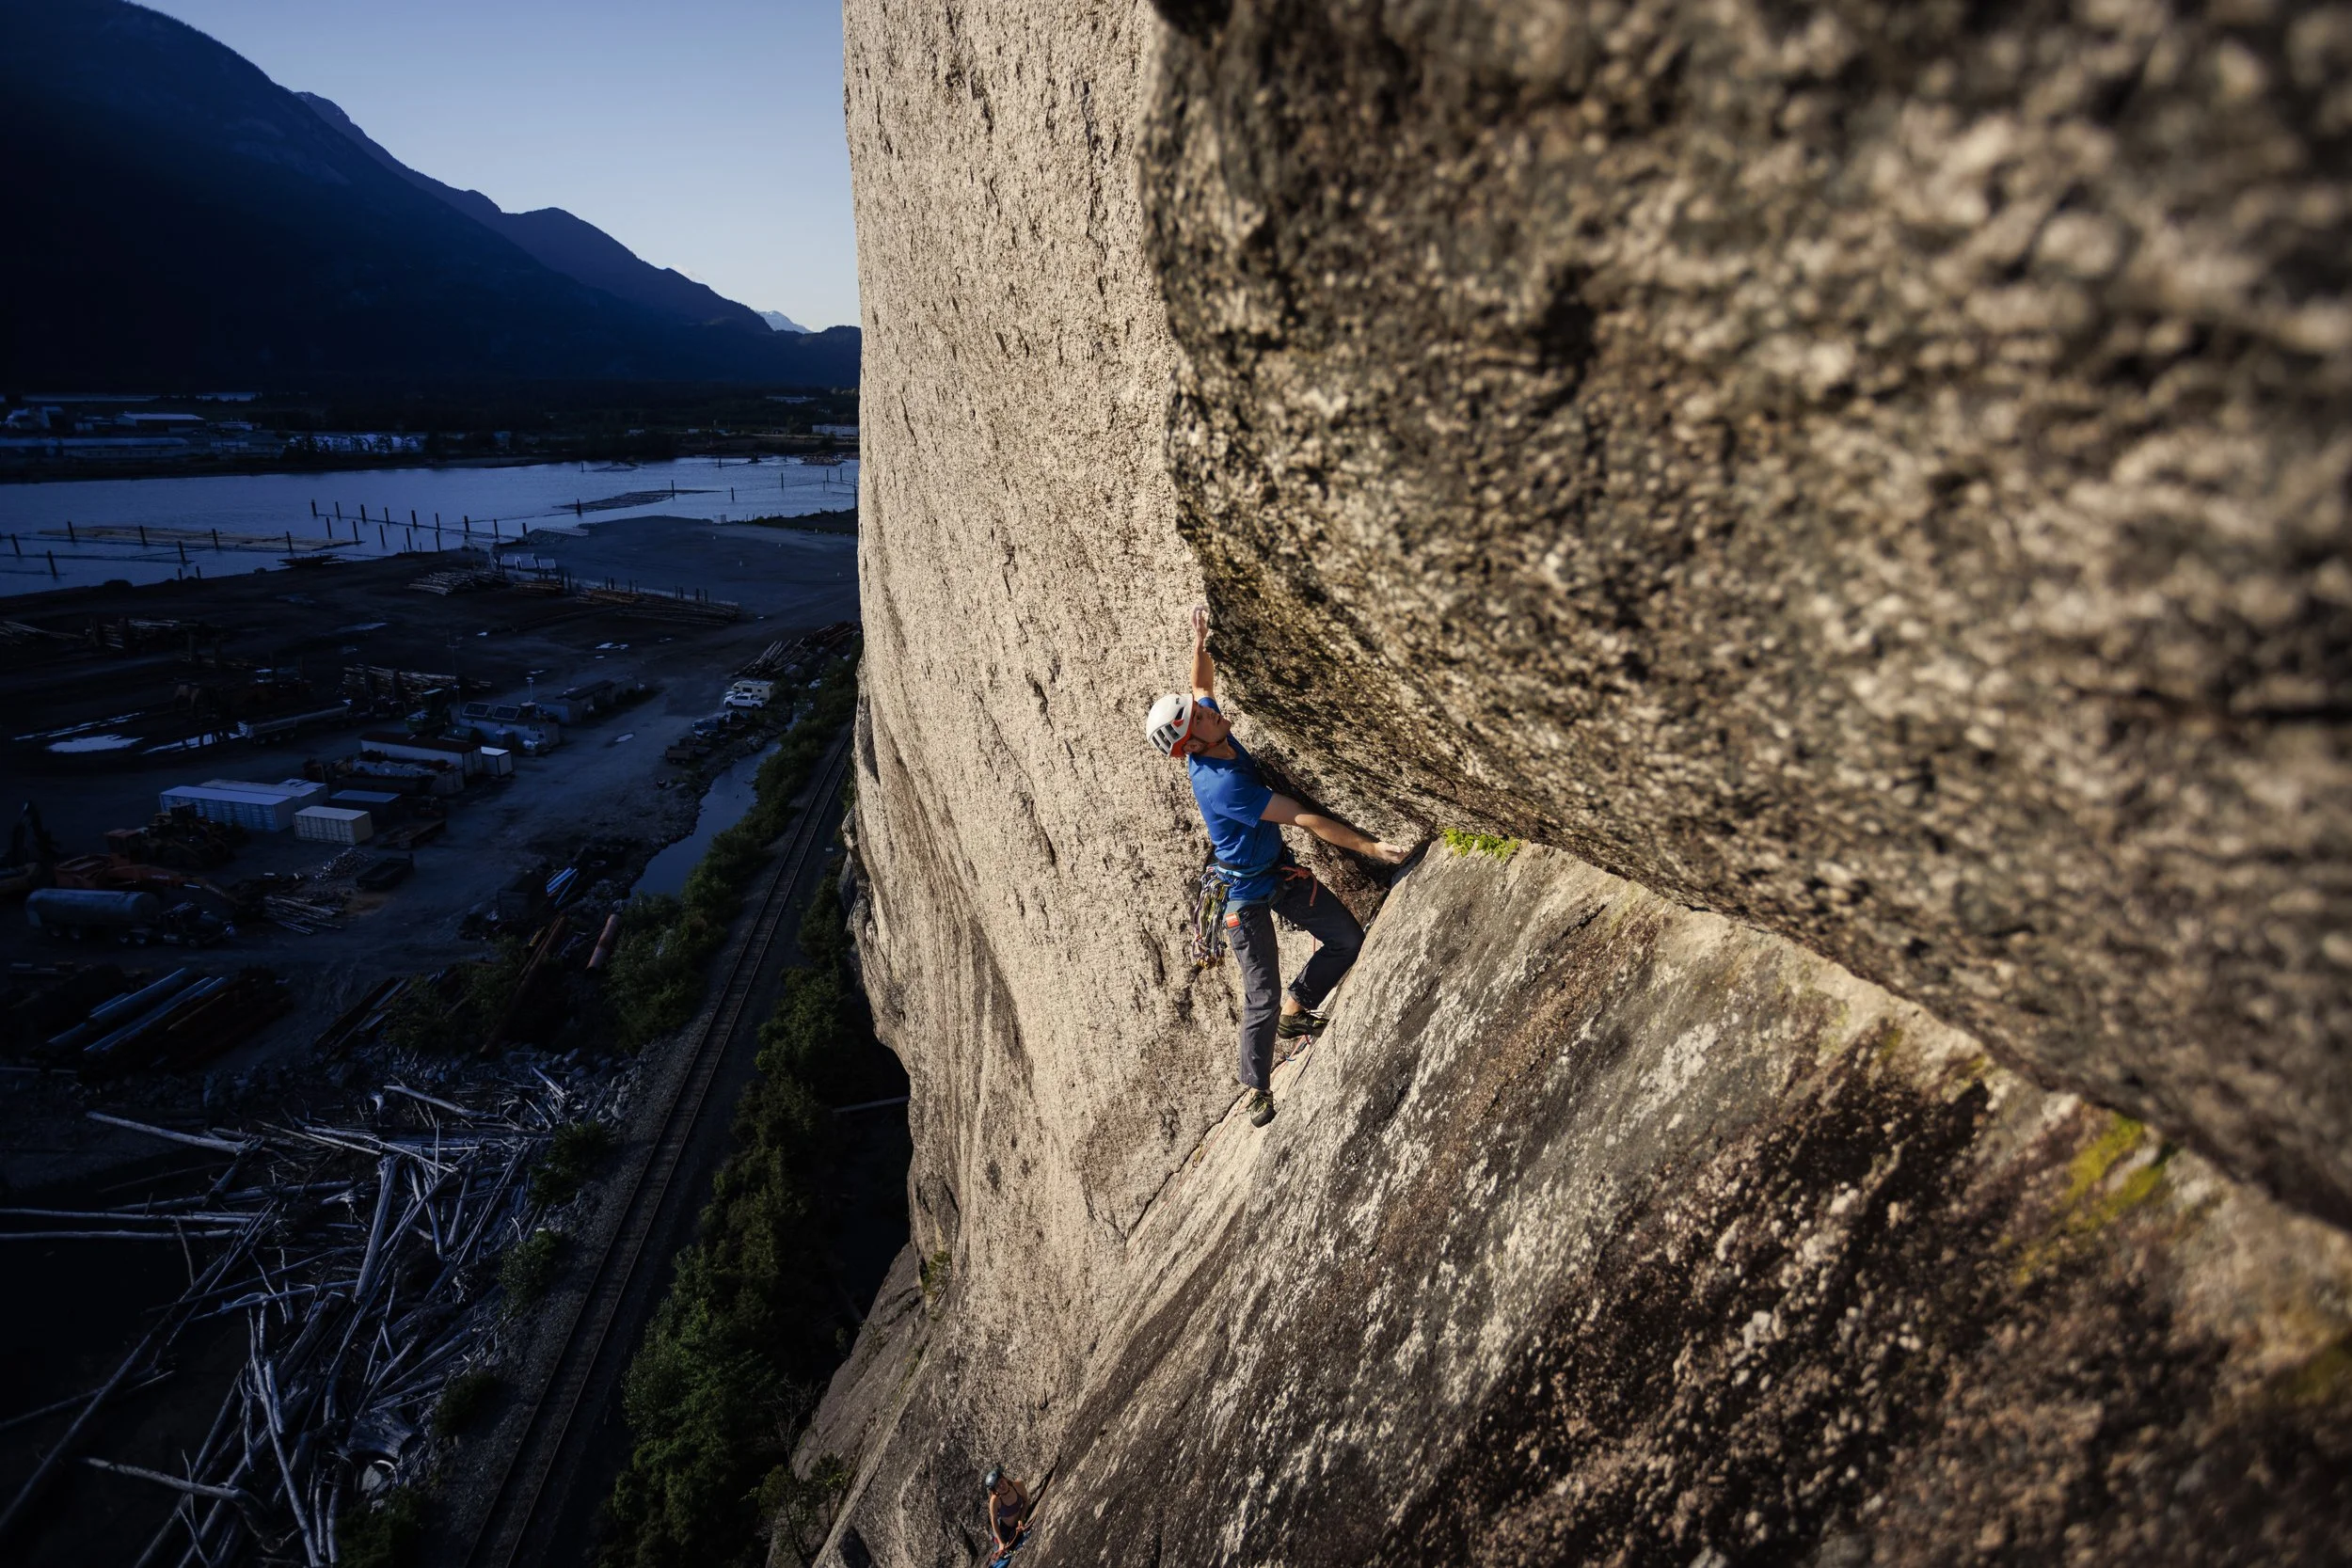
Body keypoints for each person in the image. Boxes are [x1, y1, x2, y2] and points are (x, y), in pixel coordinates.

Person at [1143, 606, 1412, 1126]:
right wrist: (1372, 848)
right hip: (1245, 896)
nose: (1208, 708)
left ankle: (1299, 1012)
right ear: (1192, 742)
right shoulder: (1226, 786)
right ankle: (1257, 1089)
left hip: (1275, 872)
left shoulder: (1209, 733)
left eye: (1201, 709)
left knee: (1347, 942)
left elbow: (1199, 683)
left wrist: (1199, 640)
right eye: (1198, 716)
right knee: (1260, 995)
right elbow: (1306, 817)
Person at [984, 1465, 1032, 1560]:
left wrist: (1021, 1519)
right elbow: (993, 1521)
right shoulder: (995, 1501)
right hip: (1004, 1531)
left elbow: (1026, 1501)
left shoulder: (1018, 1485)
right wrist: (1001, 1543)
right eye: (997, 1486)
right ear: (995, 1491)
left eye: (1001, 1481)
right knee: (1002, 1556)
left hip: (1019, 1522)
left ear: (1005, 1478)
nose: (1001, 1486)